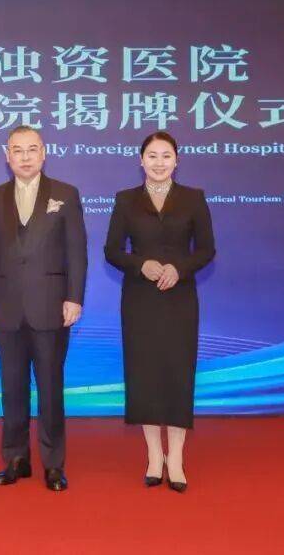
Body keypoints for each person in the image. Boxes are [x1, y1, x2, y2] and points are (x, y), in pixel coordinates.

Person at [0, 125, 87, 492]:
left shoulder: (65, 195)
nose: (25, 157)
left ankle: (54, 464)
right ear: (7, 156)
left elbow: (76, 252)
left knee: (51, 389)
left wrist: (74, 297)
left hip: (51, 306)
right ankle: (15, 458)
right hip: (6, 307)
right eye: (17, 150)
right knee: (12, 387)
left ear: (44, 153)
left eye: (32, 149)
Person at [104, 131, 216, 493]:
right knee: (145, 375)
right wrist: (141, 264)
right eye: (152, 156)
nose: (159, 163)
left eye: (166, 156)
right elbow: (111, 250)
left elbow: (207, 250)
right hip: (140, 299)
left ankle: (177, 457)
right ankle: (154, 455)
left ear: (177, 160)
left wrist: (179, 268)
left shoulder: (193, 198)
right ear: (141, 161)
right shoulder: (125, 200)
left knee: (178, 374)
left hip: (180, 298)